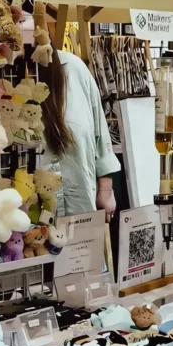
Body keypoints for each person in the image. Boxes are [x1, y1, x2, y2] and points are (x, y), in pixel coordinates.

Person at [41, 49, 121, 219]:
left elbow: (99, 133)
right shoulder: (1, 75)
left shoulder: (73, 68)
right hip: (24, 220)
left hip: (81, 209)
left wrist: (106, 190)